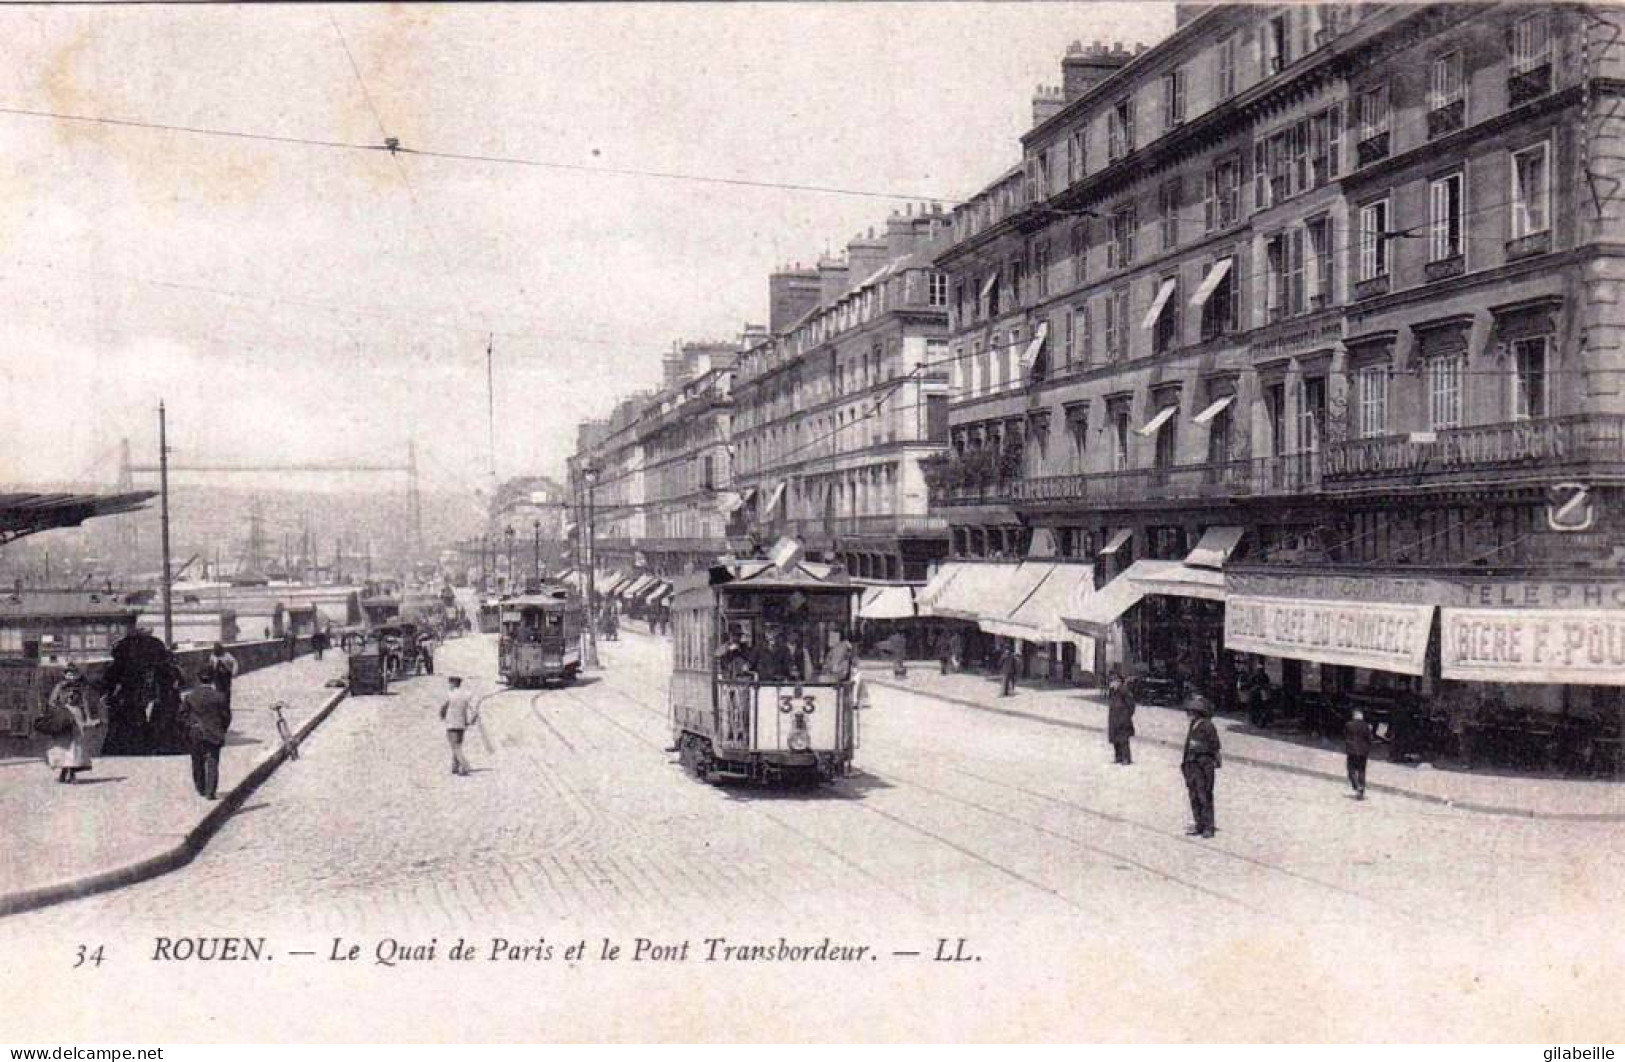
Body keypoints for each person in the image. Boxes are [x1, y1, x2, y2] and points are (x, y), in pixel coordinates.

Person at [40, 665, 99, 784]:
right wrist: (58, 710)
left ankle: (71, 773)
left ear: (77, 676)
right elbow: (51, 702)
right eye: (68, 674)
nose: (70, 676)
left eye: (73, 674)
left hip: (77, 716)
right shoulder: (59, 687)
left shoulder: (80, 688)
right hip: (63, 715)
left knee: (75, 744)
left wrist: (88, 718)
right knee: (64, 744)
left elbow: (85, 703)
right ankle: (64, 771)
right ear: (65, 675)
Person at [179, 672, 232, 800]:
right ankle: (210, 792)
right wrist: (222, 728)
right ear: (212, 680)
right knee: (212, 761)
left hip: (196, 733)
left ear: (198, 680)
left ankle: (200, 788)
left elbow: (182, 715)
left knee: (197, 761)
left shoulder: (190, 696)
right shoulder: (219, 697)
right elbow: (227, 716)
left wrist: (191, 725)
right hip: (214, 733)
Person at [1181, 690, 1222, 838]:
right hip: (1192, 764)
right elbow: (1187, 745)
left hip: (1204, 764)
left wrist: (1198, 746)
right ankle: (1199, 823)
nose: (1189, 714)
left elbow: (1215, 746)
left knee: (1204, 795)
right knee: (1194, 795)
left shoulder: (1208, 726)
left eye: (1191, 711)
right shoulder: (1193, 725)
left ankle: (1208, 827)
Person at [439, 676, 477, 776]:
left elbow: (443, 708)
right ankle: (454, 767)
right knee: (458, 745)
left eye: (450, 683)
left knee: (455, 746)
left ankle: (464, 766)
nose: (449, 685)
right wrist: (472, 720)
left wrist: (442, 716)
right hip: (462, 724)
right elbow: (474, 710)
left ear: (453, 684)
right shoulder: (465, 695)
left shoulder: (449, 694)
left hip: (451, 723)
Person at [1106, 668, 1136, 766]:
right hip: (1114, 718)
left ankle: (1126, 758)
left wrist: (1126, 716)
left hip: (1123, 719)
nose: (1111, 683)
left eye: (1113, 681)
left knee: (1123, 740)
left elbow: (1131, 704)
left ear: (1118, 682)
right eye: (1110, 681)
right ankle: (1118, 757)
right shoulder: (1112, 691)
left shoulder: (1124, 690)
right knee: (1115, 739)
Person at [1345, 708, 1375, 799]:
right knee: (1361, 770)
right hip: (1363, 752)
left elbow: (1346, 737)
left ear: (1354, 716)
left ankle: (1356, 785)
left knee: (1351, 770)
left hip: (1352, 750)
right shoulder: (1366, 726)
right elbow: (1370, 739)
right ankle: (1361, 790)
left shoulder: (1349, 725)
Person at [204, 642, 240, 713]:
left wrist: (234, 672)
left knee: (227, 691)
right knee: (219, 690)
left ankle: (226, 705)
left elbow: (234, 662)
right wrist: (209, 676)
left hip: (226, 675)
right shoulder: (212, 656)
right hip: (217, 676)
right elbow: (210, 666)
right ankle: (220, 706)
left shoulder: (227, 655)